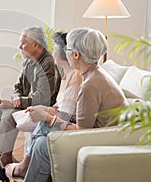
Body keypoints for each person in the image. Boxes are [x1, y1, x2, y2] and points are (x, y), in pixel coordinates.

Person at [21, 28, 129, 182]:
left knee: (41, 143)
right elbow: (83, 118)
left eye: (68, 49)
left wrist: (47, 117)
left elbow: (82, 131)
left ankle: (23, 168)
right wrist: (48, 112)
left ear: (76, 55)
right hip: (102, 136)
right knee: (40, 140)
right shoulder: (95, 75)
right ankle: (25, 169)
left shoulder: (90, 85)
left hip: (100, 141)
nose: (66, 53)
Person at [5, 32, 83, 181]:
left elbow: (70, 114)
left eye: (55, 47)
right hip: (62, 120)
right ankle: (19, 163)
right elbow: (59, 105)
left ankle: (23, 165)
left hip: (70, 127)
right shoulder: (65, 75)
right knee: (40, 135)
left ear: (64, 52)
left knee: (43, 122)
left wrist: (46, 113)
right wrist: (44, 109)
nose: (52, 51)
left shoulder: (76, 76)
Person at [0, 26, 61, 166]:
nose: (19, 46)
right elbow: (18, 86)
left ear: (35, 44)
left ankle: (4, 158)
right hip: (28, 104)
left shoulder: (48, 63)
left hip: (43, 108)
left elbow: (43, 97)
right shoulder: (29, 61)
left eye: (23, 43)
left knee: (9, 114)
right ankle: (3, 153)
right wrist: (16, 99)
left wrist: (16, 103)